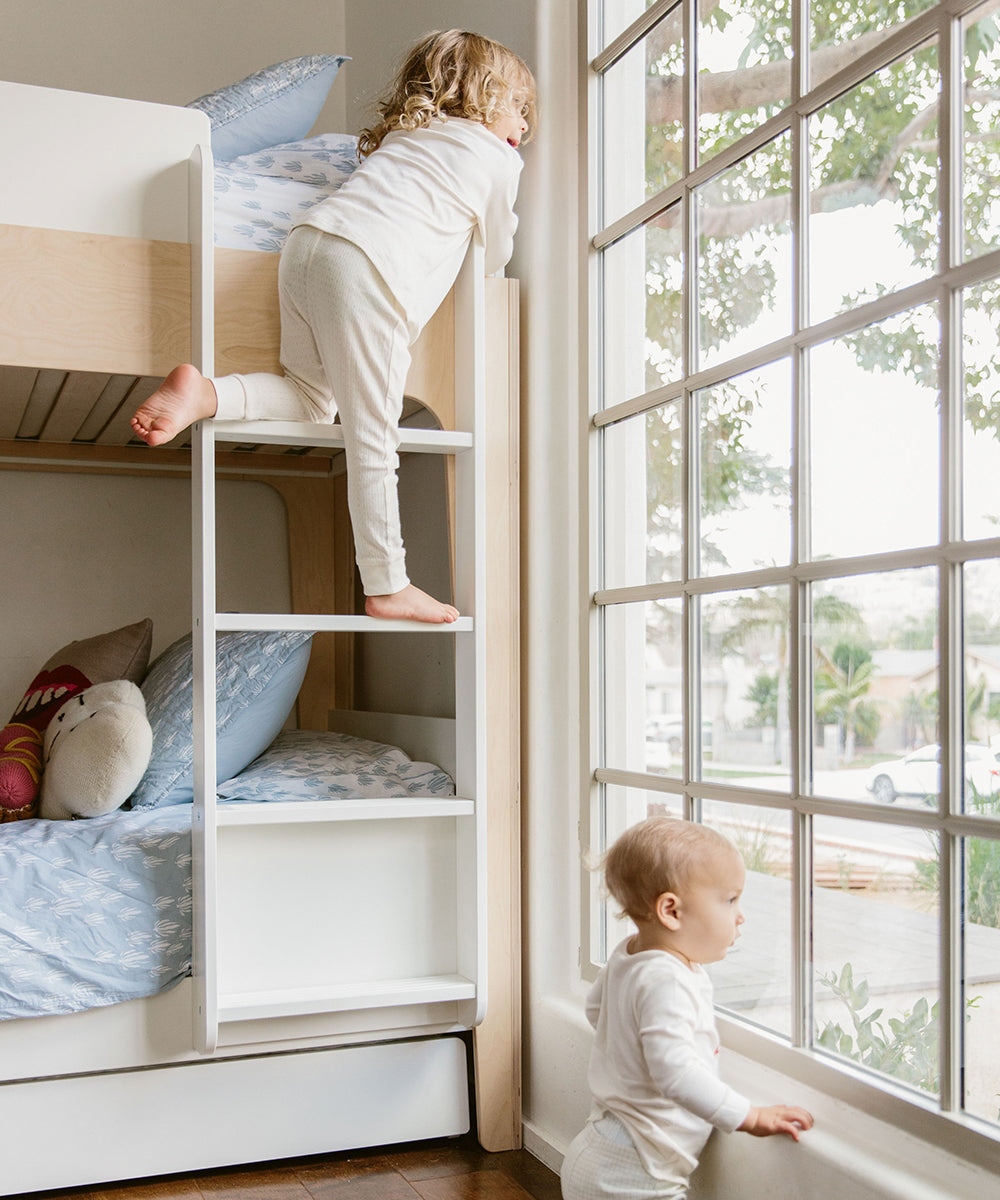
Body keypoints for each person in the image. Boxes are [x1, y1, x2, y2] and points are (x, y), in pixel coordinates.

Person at [131, 30, 535, 624]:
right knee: (374, 439)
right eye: (519, 109)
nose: (524, 126)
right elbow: (496, 253)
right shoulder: (497, 158)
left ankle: (208, 392)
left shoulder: (409, 135)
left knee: (311, 401)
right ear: (482, 94)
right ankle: (387, 582)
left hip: (308, 250)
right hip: (369, 271)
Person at [561, 817, 813, 1200]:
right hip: (638, 1171)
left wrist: (630, 1051)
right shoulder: (669, 980)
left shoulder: (630, 953)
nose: (740, 915)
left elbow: (597, 1011)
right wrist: (748, 1115)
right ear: (671, 911)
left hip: (602, 1144)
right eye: (730, 900)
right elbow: (675, 1073)